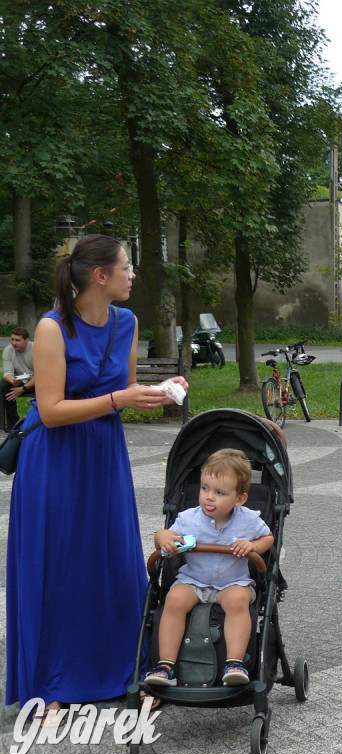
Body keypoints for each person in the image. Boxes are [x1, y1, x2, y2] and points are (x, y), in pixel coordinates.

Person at [5, 234, 188, 720]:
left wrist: (159, 392)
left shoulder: (124, 322)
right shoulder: (51, 328)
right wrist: (119, 401)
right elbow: (50, 409)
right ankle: (52, 686)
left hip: (103, 455)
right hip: (56, 460)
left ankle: (120, 672)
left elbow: (124, 390)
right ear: (100, 276)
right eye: (126, 266)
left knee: (110, 562)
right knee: (61, 566)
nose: (133, 275)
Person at [145, 449, 274, 687]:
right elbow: (165, 536)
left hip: (233, 582)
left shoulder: (248, 519)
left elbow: (268, 538)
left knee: (237, 601)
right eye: (205, 489)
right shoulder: (188, 518)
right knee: (173, 599)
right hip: (193, 580)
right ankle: (165, 665)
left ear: (239, 499)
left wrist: (253, 545)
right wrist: (161, 536)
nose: (209, 497)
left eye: (219, 492)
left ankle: (235, 662)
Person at [2, 327, 34, 430]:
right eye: (12, 339)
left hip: (37, 381)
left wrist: (22, 389)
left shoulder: (36, 349)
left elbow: (42, 375)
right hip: (21, 380)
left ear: (26, 340)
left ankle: (37, 421)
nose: (14, 343)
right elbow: (7, 373)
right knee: (4, 384)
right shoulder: (8, 351)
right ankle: (12, 424)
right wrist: (12, 380)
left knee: (45, 384)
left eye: (17, 340)